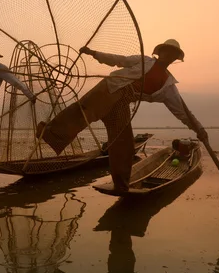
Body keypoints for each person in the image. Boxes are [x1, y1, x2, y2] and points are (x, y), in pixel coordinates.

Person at [36, 39, 207, 192]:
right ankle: (50, 133)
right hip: (110, 88)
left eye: (172, 54)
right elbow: (118, 60)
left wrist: (199, 129)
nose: (167, 55)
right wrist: (94, 53)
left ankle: (121, 184)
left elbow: (183, 113)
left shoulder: (169, 86)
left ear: (174, 59)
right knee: (83, 111)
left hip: (121, 103)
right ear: (159, 52)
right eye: (165, 51)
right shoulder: (143, 61)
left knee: (123, 141)